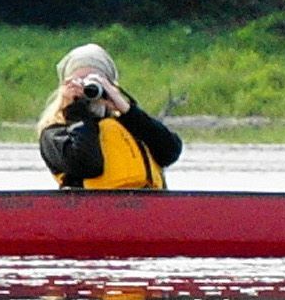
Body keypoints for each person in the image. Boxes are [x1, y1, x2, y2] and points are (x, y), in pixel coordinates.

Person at [36, 42, 182, 190]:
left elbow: (170, 151)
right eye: (78, 81)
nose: (85, 89)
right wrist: (75, 111)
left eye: (94, 81)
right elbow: (87, 164)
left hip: (148, 207)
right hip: (92, 209)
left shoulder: (131, 125)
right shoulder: (54, 134)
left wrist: (126, 109)